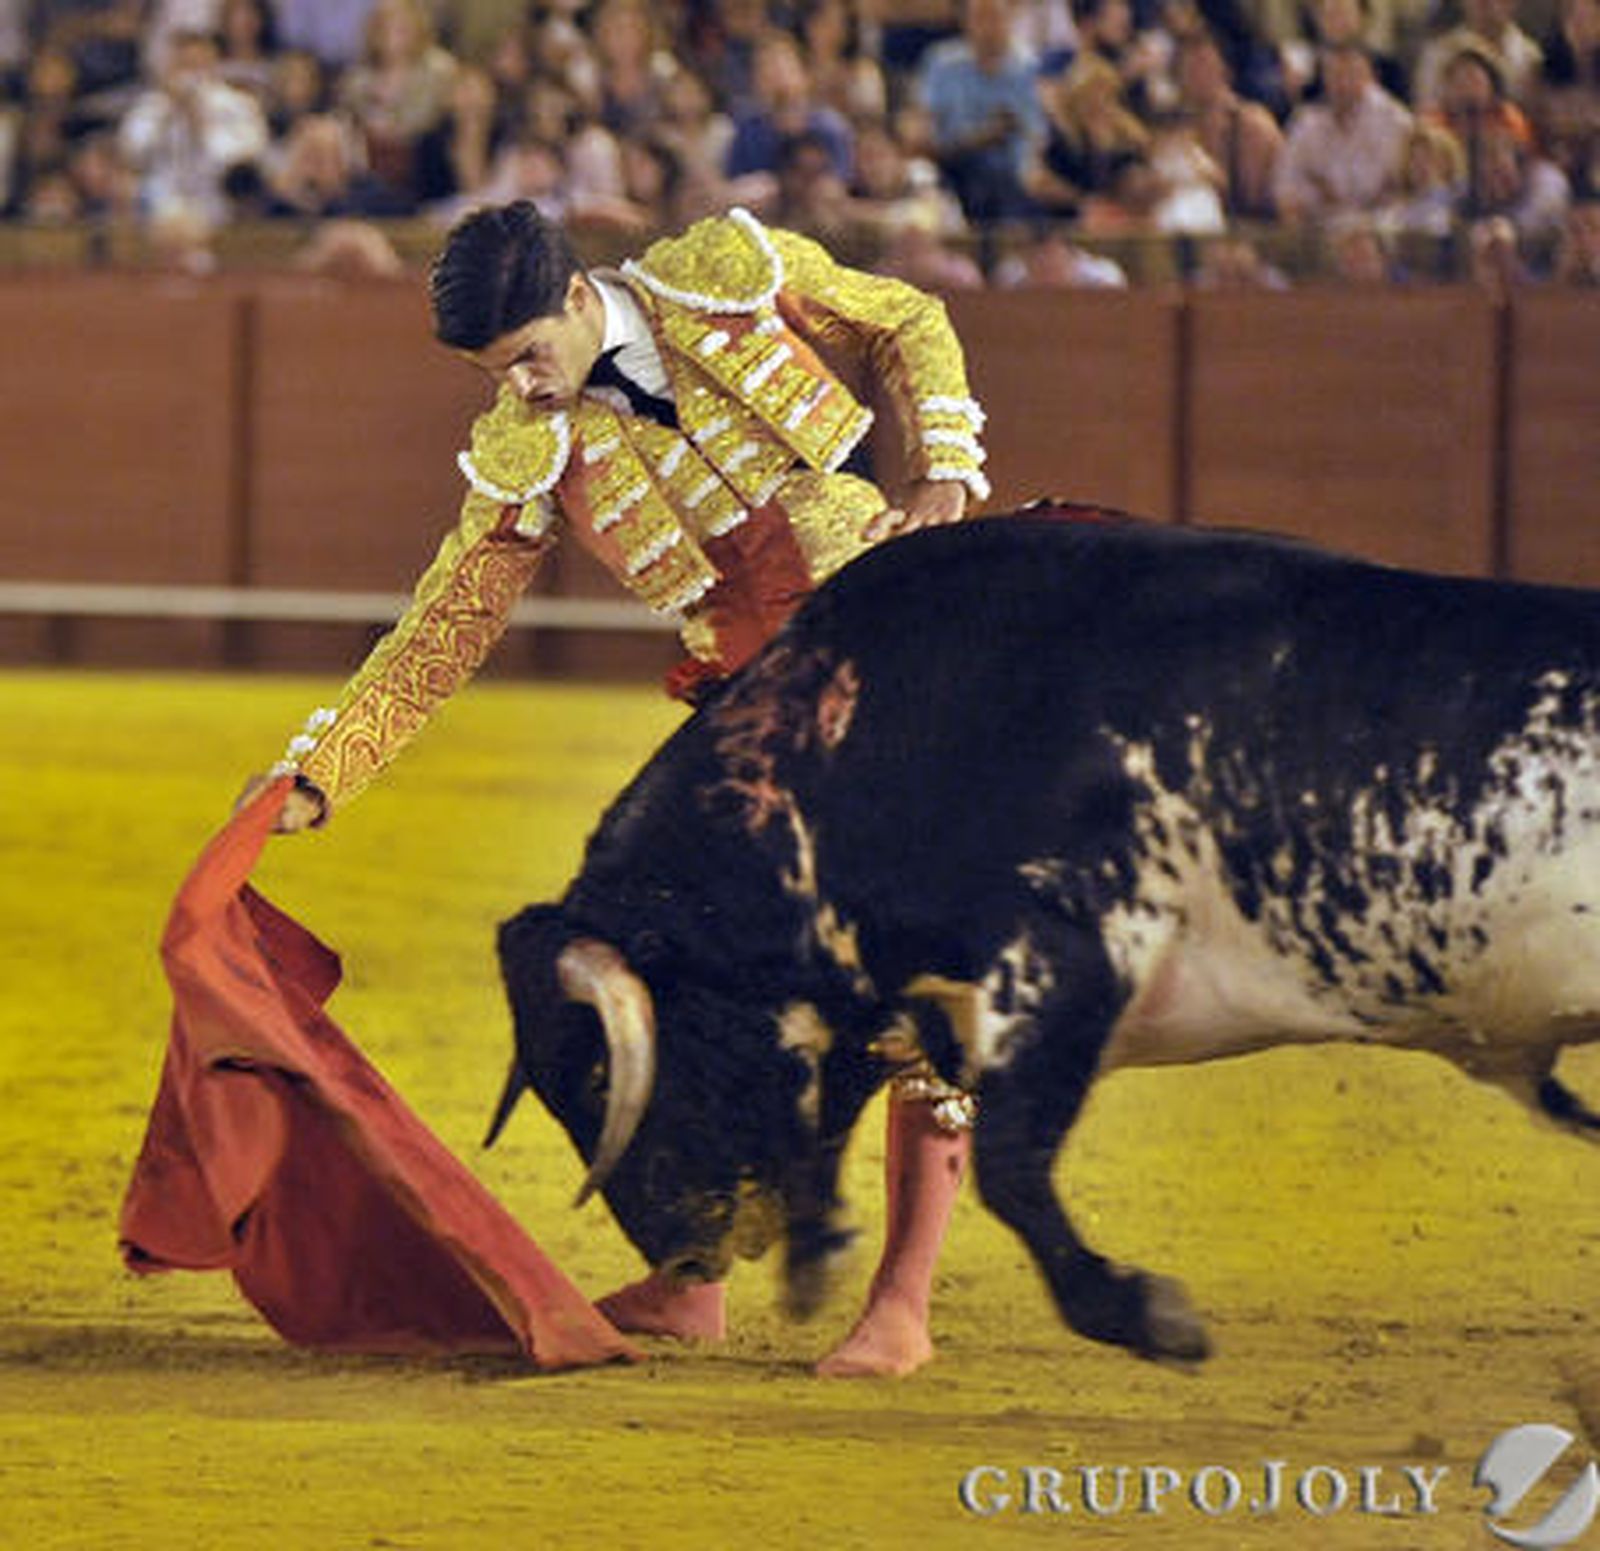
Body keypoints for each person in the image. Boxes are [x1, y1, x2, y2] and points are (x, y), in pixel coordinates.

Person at [247, 200, 991, 1379]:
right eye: (500, 376)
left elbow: (906, 319)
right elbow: (447, 619)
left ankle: (901, 1302)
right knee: (650, 968)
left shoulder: (726, 281)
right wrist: (322, 770)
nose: (527, 391)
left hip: (886, 664)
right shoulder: (529, 443)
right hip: (741, 712)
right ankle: (693, 1275)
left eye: (531, 357)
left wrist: (943, 471)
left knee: (909, 975)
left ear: (578, 298)